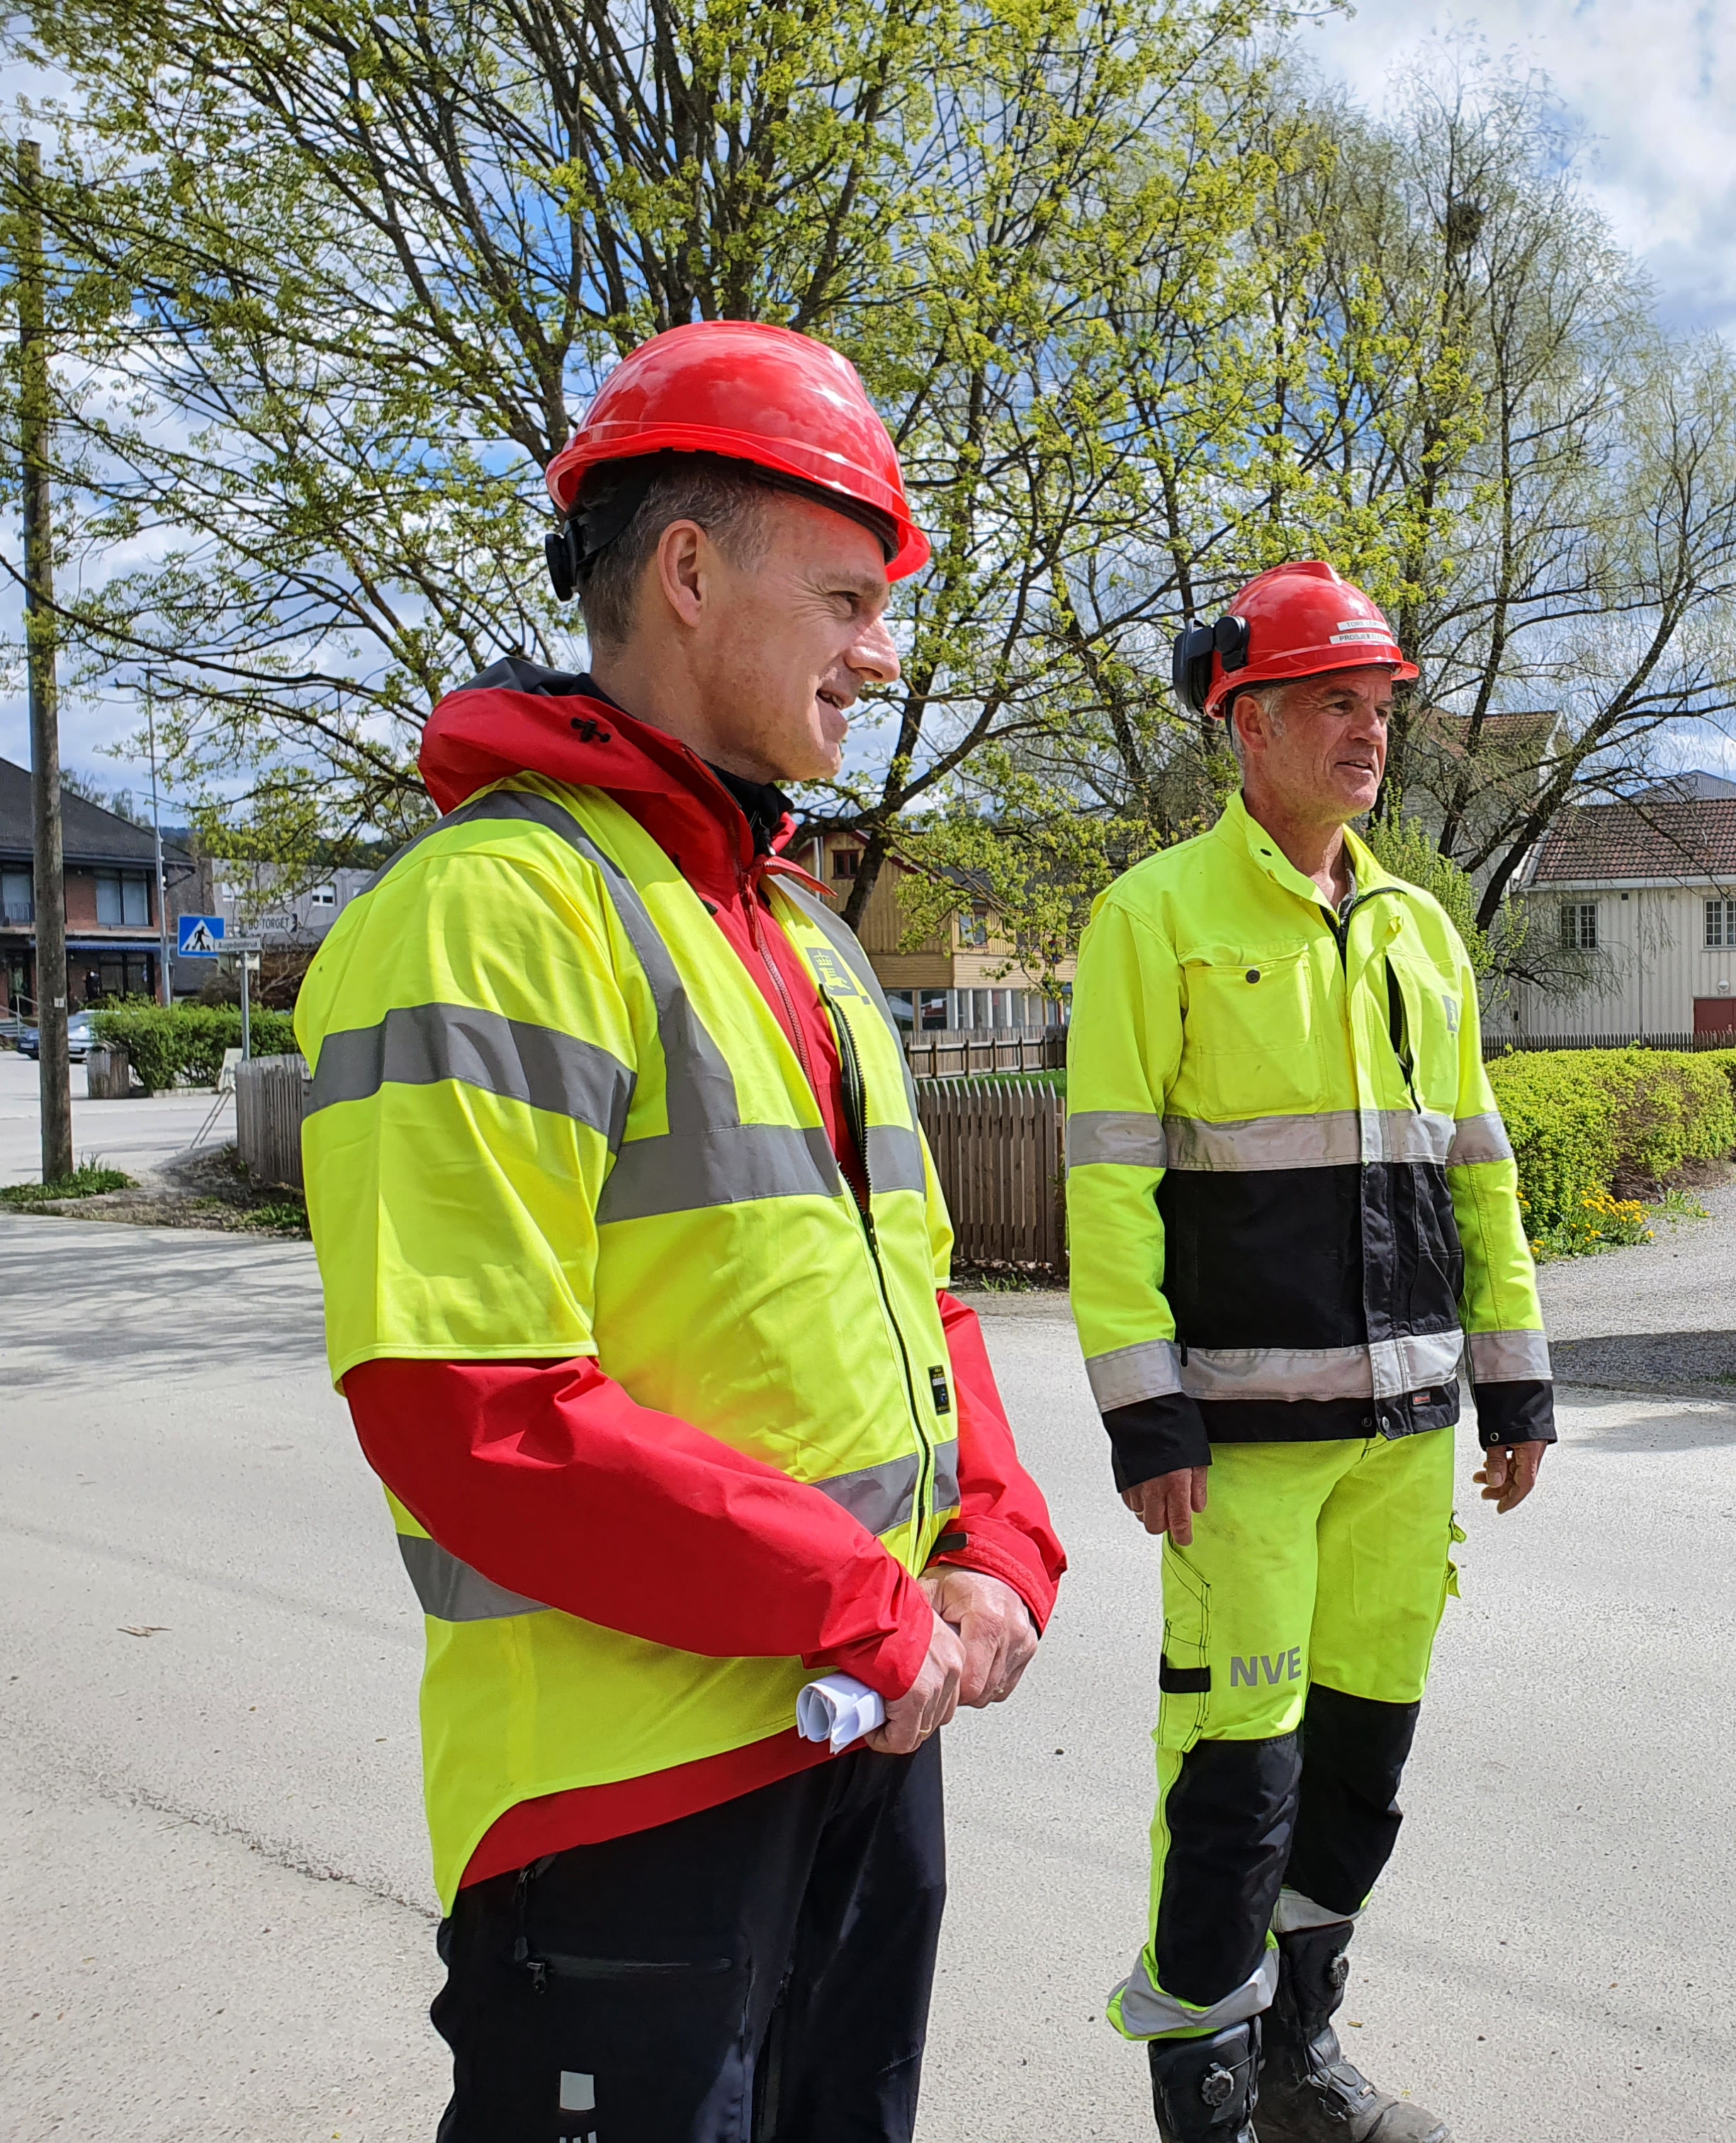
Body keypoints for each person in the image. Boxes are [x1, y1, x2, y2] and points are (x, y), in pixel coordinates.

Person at [298, 319, 1066, 2139]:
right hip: (628, 1800)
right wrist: (865, 1604)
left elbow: (919, 1296)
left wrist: (998, 1547)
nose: (883, 652)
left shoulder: (805, 929)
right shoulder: (489, 912)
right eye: (848, 596)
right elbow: (469, 1410)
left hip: (864, 1736)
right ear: (692, 572)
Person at [1066, 561, 1555, 2142]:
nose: (1369, 732)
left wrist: (1516, 1381)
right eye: (1336, 703)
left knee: (1357, 1768)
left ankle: (1300, 2061)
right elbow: (1113, 1181)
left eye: (1379, 705)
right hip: (1241, 1460)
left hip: (1408, 1447)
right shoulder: (1154, 917)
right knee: (1234, 1778)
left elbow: (1476, 1168)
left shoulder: (1418, 930)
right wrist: (1148, 1418)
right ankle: (1203, 2087)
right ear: (1248, 722)